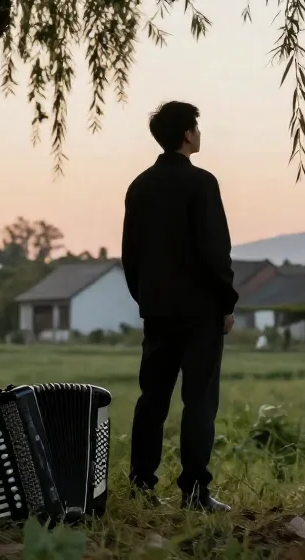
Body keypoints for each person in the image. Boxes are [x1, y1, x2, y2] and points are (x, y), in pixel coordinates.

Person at [121, 101, 237, 512]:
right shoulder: (201, 183)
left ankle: (141, 486)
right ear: (187, 134)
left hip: (157, 311)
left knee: (152, 399)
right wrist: (225, 302)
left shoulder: (140, 186)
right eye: (196, 128)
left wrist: (147, 299)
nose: (199, 134)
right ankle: (194, 492)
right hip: (200, 311)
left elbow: (131, 255)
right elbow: (214, 250)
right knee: (199, 401)